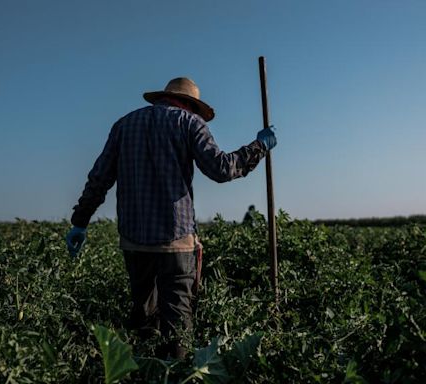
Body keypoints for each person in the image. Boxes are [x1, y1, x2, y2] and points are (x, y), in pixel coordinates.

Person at [66, 77, 277, 359]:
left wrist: (80, 221)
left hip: (134, 242)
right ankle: (175, 374)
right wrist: (259, 146)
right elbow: (222, 169)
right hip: (176, 242)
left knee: (144, 319)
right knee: (177, 326)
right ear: (190, 105)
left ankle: (145, 372)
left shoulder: (124, 125)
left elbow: (99, 179)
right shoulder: (189, 123)